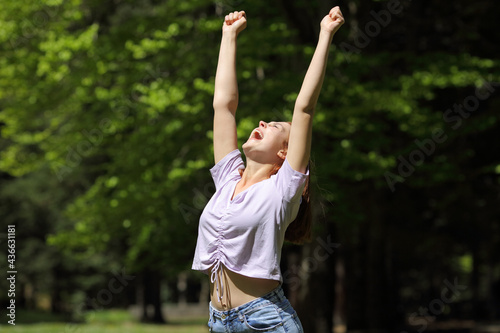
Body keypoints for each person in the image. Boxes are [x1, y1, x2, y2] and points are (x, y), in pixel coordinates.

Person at [192, 6, 344, 332]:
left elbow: (304, 108)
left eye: (274, 126)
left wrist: (325, 35)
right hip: (218, 322)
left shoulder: (282, 190)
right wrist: (228, 37)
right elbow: (224, 105)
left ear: (285, 153)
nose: (262, 122)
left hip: (266, 322)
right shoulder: (227, 180)